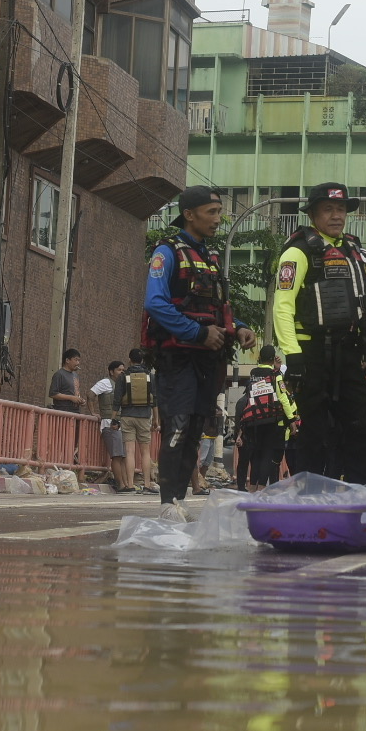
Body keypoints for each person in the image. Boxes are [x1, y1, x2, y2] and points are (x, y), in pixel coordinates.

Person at [143, 187, 255, 511]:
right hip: (177, 358)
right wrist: (198, 333)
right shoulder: (166, 252)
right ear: (189, 215)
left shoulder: (211, 257)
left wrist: (240, 327)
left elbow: (219, 308)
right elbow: (155, 303)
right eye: (212, 212)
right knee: (177, 427)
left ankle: (178, 502)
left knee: (194, 431)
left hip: (208, 361)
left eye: (220, 212)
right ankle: (167, 505)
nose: (218, 219)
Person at [273, 182, 366, 482]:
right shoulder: (298, 252)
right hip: (312, 354)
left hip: (351, 352)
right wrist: (293, 356)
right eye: (328, 209)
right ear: (313, 214)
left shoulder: (353, 250)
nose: (336, 215)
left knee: (361, 428)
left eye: (341, 209)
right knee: (315, 431)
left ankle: (362, 494)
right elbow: (282, 306)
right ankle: (309, 496)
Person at [236, 345, 296, 490]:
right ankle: (262, 487)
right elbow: (283, 398)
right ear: (273, 358)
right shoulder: (276, 375)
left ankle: (252, 487)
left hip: (254, 420)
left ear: (259, 358)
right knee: (267, 455)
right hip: (270, 420)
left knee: (256, 454)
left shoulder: (253, 373)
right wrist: (292, 420)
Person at [114, 347, 159, 494]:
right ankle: (147, 484)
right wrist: (156, 419)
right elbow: (155, 400)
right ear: (142, 360)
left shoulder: (123, 376)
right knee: (145, 452)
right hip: (144, 416)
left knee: (129, 451)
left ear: (129, 360)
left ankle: (130, 484)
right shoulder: (150, 376)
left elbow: (117, 400)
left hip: (127, 416)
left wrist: (113, 418)